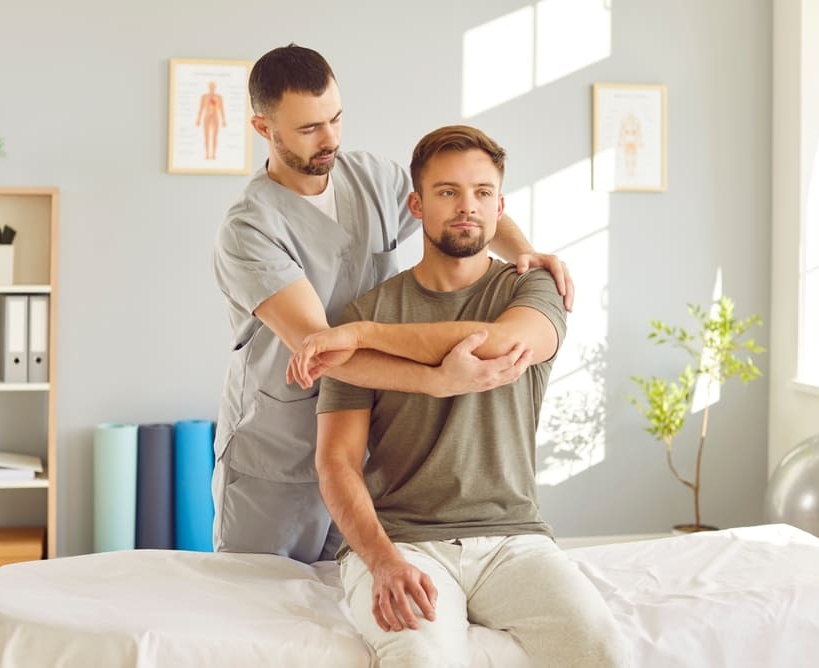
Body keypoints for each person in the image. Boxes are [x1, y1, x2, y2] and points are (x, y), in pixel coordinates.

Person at [212, 44, 575, 564]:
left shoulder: (371, 178)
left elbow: (463, 204)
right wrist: (438, 381)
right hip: (281, 454)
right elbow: (324, 351)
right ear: (263, 128)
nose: (330, 139)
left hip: (366, 449)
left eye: (336, 118)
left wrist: (525, 253)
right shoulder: (249, 229)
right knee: (262, 600)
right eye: (309, 128)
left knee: (347, 600)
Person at [298, 125, 629, 667]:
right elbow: (336, 462)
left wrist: (366, 337)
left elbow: (496, 343)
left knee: (603, 650)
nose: (466, 206)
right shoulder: (364, 310)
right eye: (448, 191)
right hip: (403, 541)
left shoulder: (532, 287)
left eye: (481, 192)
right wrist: (381, 560)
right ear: (417, 206)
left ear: (500, 207)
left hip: (513, 541)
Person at [196, 81, 226, 160]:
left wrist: (223, 120)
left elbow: (221, 109)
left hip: (215, 117)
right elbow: (201, 108)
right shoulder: (204, 97)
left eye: (213, 87)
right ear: (209, 87)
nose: (212, 88)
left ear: (214, 87)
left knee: (214, 136)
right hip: (207, 117)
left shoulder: (219, 97)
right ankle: (207, 154)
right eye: (211, 86)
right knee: (206, 136)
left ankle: (213, 154)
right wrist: (198, 119)